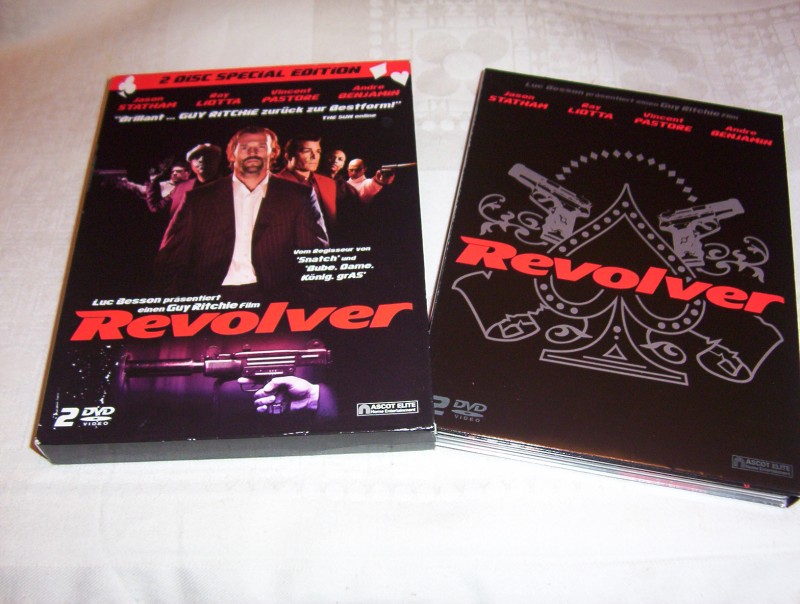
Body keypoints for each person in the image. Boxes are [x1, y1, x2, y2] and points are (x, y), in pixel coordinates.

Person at [155, 126, 329, 302]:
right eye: (245, 147)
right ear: (232, 154)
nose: (253, 152)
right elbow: (170, 259)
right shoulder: (198, 198)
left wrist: (304, 304)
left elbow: (315, 256)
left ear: (273, 153)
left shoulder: (299, 196)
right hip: (209, 300)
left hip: (276, 300)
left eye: (261, 146)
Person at [147, 143, 223, 217]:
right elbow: (156, 208)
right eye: (196, 157)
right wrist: (152, 182)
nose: (201, 159)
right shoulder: (181, 188)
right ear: (191, 164)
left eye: (208, 156)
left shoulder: (227, 187)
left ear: (218, 160)